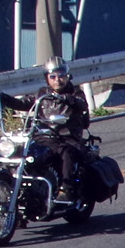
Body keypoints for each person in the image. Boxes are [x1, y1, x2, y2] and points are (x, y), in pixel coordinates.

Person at [29, 59, 96, 200]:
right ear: (47, 78)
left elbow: (82, 104)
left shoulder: (75, 92)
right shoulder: (42, 93)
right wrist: (2, 99)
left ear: (67, 76)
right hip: (44, 136)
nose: (57, 80)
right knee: (22, 150)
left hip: (68, 138)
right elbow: (26, 103)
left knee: (66, 154)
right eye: (53, 76)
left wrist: (68, 99)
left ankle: (66, 190)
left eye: (61, 76)